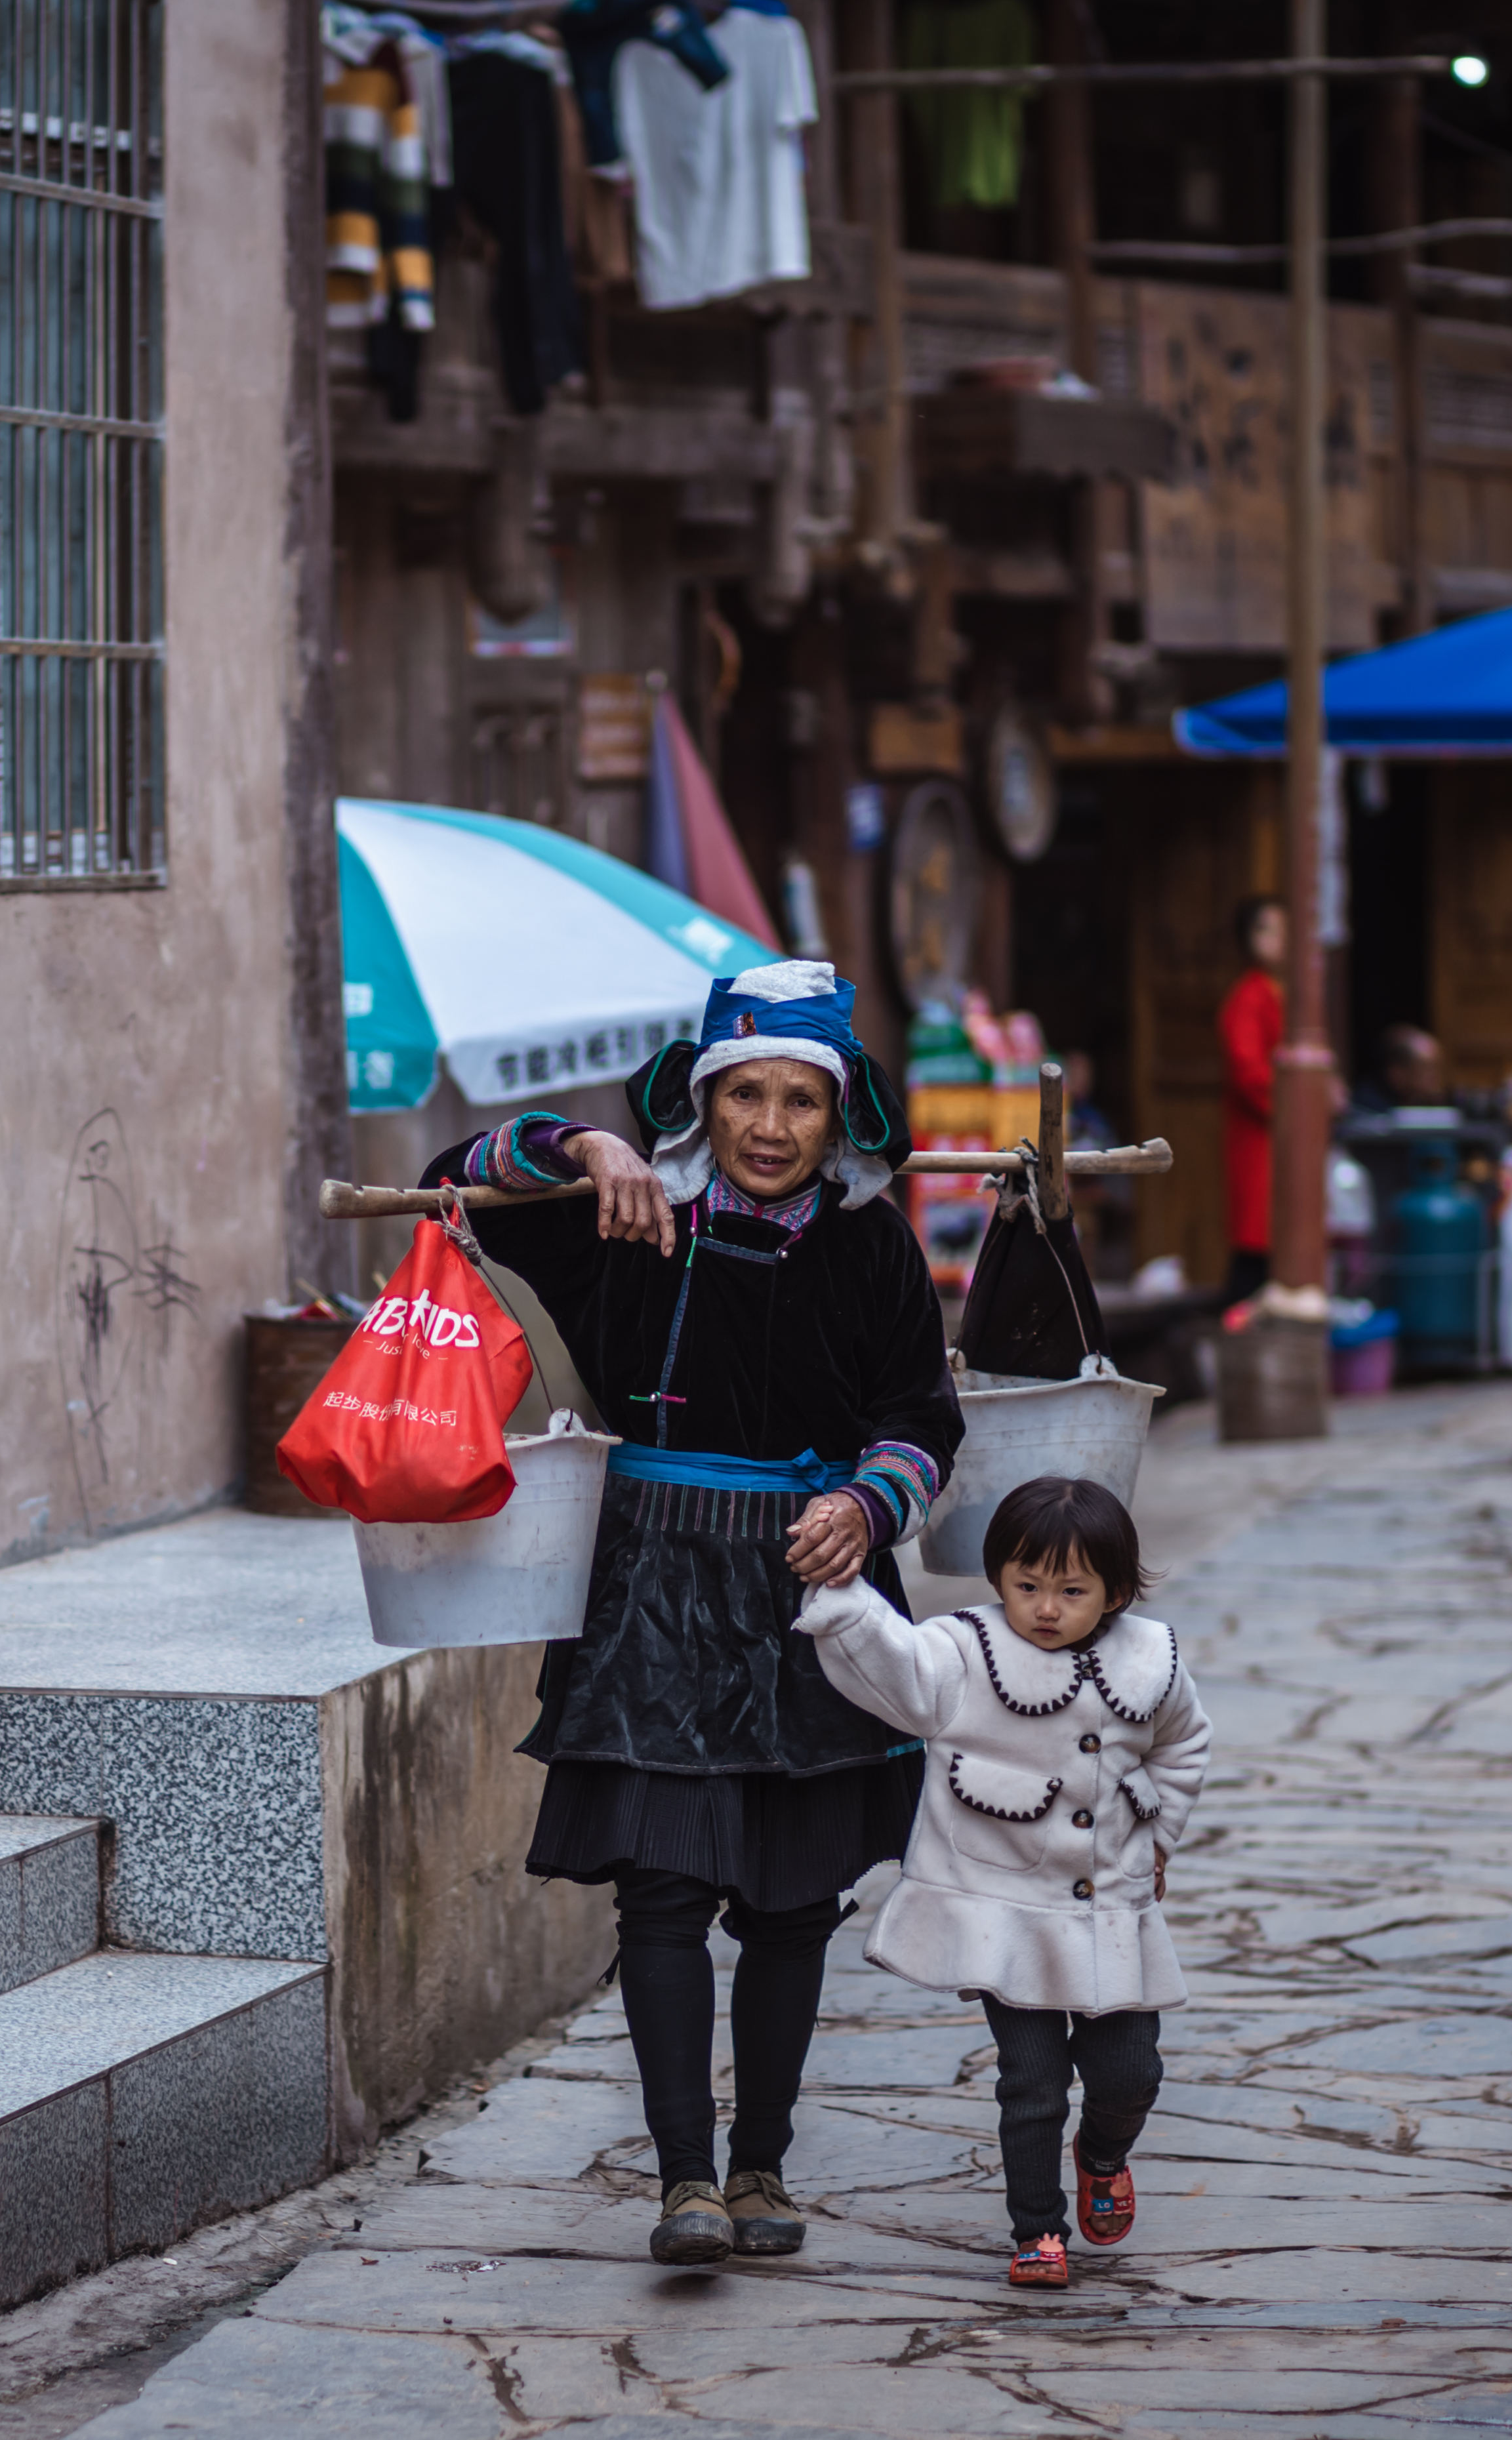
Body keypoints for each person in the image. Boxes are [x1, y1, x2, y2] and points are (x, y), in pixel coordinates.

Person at [438, 957, 963, 2268]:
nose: (772, 1126)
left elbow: (919, 1416)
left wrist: (872, 1503)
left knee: (792, 1903)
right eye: (745, 1094)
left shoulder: (868, 1244)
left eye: (799, 1098)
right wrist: (580, 1143)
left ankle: (763, 2164)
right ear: (704, 1099)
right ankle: (683, 2180)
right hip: (653, 1592)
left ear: (838, 1118)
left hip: (811, 1594)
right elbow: (460, 1171)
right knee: (663, 1894)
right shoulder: (622, 1216)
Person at [796, 1475, 1210, 2290]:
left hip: (1112, 1918)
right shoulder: (962, 1653)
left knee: (1131, 2075)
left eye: (1071, 1590)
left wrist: (1157, 1837)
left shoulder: (1151, 1661)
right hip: (1002, 1916)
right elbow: (891, 1663)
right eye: (1026, 1586)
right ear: (997, 1580)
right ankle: (1037, 2229)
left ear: (1116, 1592)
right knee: (1032, 2081)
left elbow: (1184, 1744)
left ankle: (1102, 2156)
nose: (1046, 1607)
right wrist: (842, 1596)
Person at [1217, 897, 1284, 1303]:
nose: (1279, 941)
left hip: (1284, 1137)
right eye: (1268, 930)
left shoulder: (1288, 994)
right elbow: (1250, 1072)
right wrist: (1293, 1110)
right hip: (1261, 1136)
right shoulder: (1247, 998)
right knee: (1256, 1245)